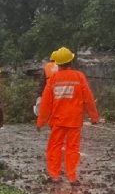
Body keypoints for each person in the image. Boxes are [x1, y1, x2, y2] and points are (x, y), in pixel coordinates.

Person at [37, 47, 99, 185]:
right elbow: (88, 98)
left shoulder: (53, 79)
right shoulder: (79, 76)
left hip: (58, 121)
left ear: (57, 64)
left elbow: (46, 103)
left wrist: (40, 121)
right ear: (71, 61)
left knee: (54, 147)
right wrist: (94, 117)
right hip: (74, 120)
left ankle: (55, 176)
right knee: (73, 148)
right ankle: (72, 177)